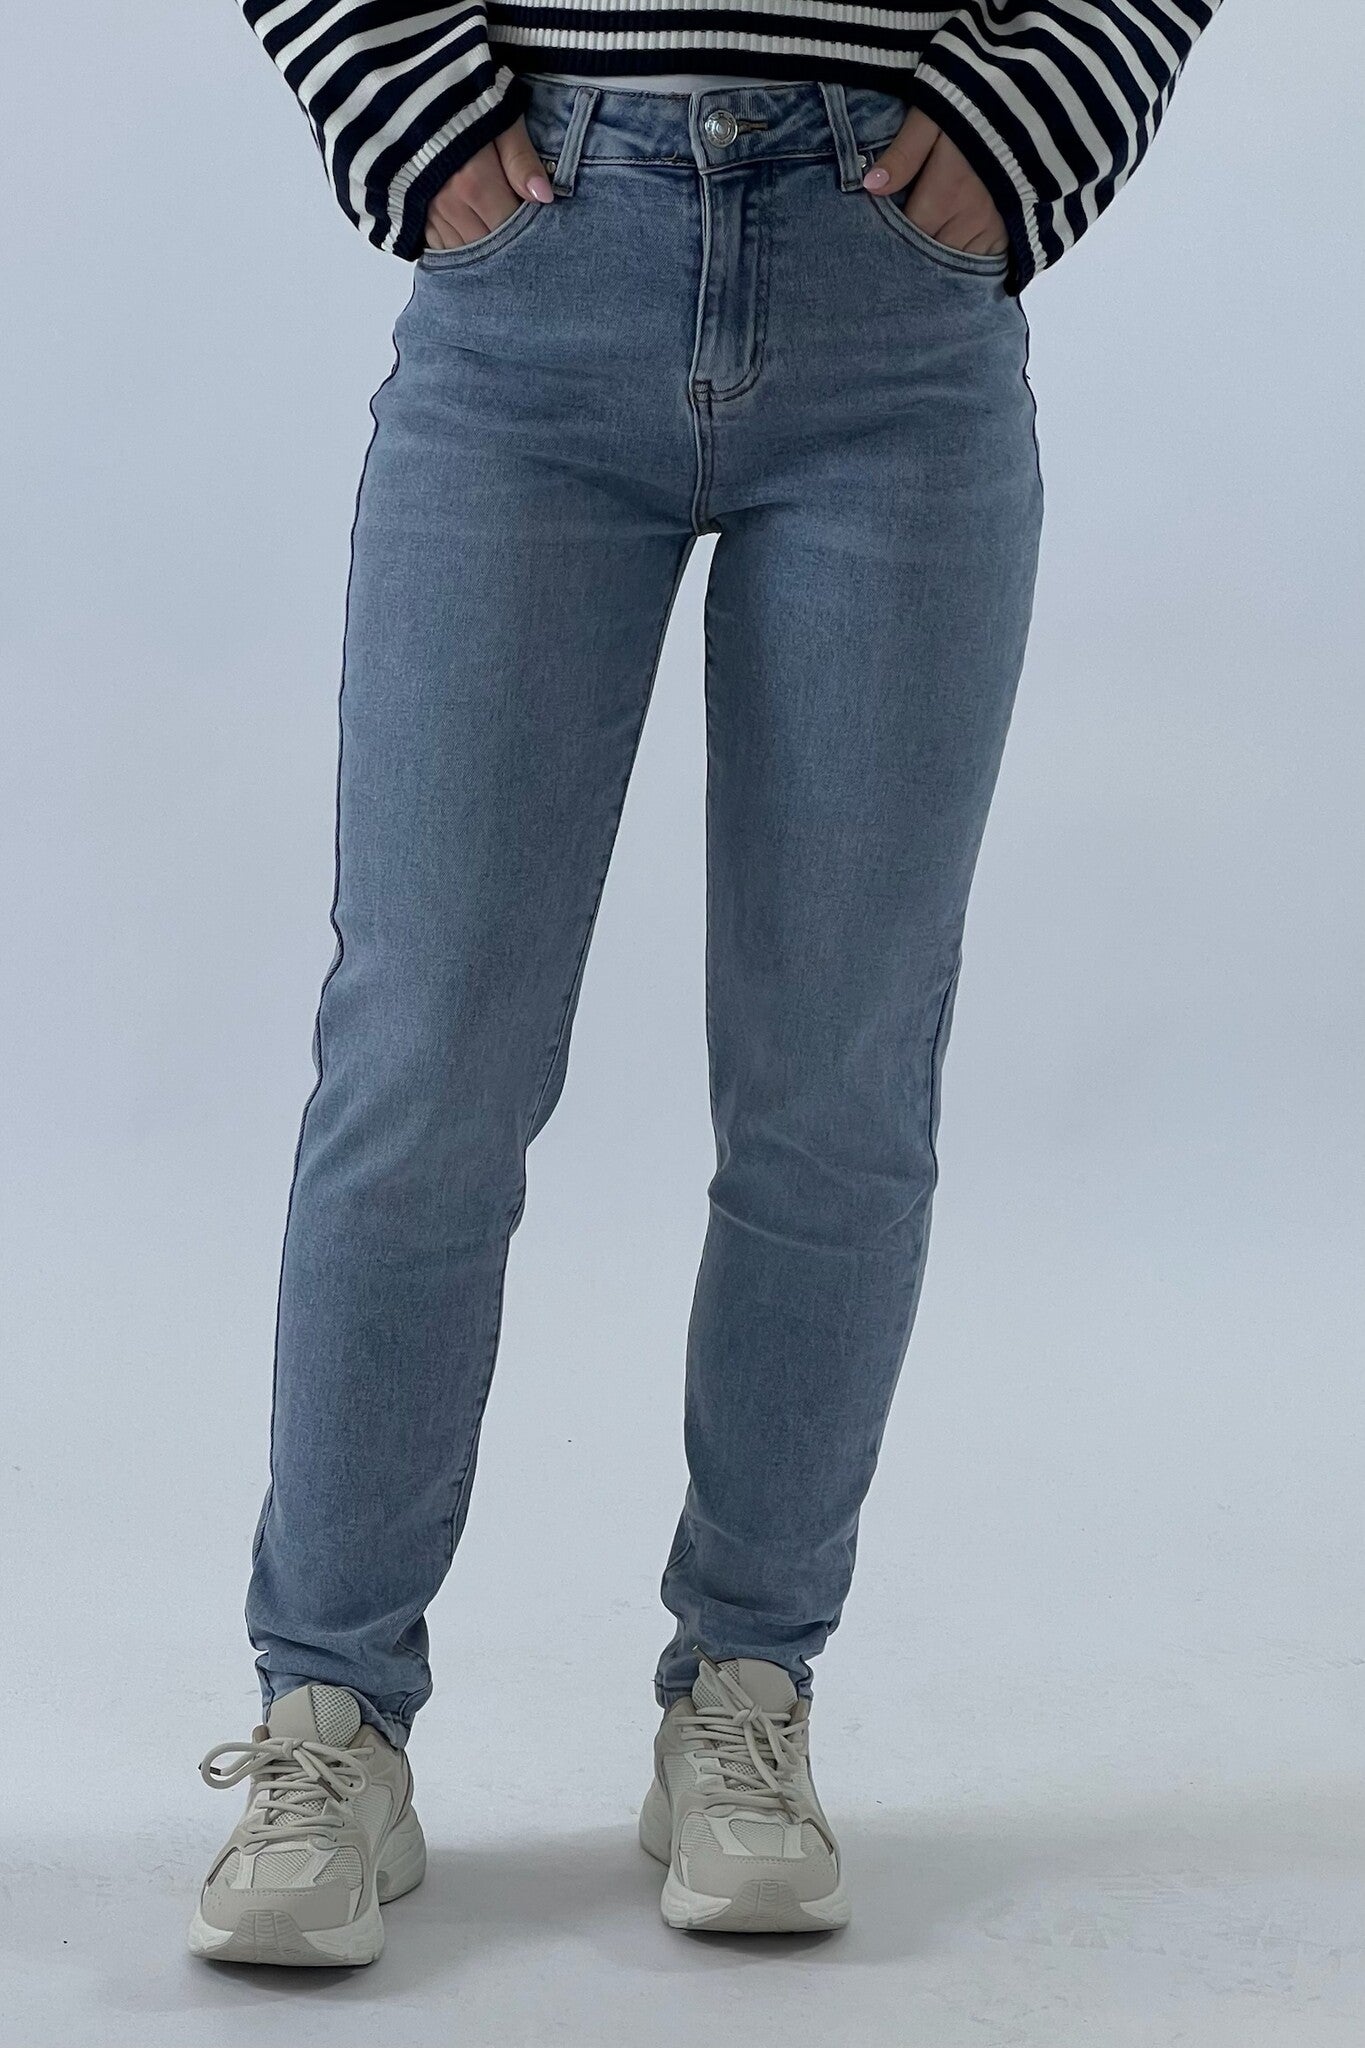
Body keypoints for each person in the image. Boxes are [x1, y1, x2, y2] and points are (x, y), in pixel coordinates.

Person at [190, 0, 1223, 1967]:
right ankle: (329, 1715)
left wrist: (1035, 108)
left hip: (891, 286)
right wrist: (403, 99)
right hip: (534, 269)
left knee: (835, 1074)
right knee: (421, 1059)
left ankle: (743, 1689)